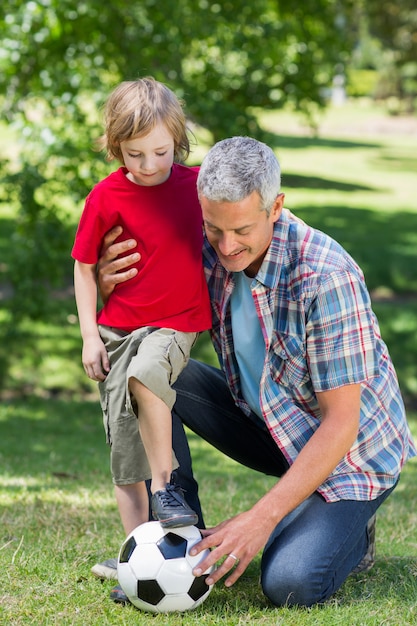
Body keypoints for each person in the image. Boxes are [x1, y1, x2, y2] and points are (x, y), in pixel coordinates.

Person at [95, 136, 416, 608]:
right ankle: (174, 541)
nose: (226, 247)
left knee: (288, 582)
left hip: (350, 454)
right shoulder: (210, 244)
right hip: (270, 423)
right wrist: (108, 285)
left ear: (276, 207)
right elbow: (139, 320)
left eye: (242, 229)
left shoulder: (326, 277)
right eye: (213, 228)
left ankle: (350, 526)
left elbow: (342, 423)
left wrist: (260, 519)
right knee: (144, 366)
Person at [71, 78, 212, 545]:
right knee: (124, 455)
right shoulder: (106, 197)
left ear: (177, 140)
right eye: (135, 155)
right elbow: (85, 267)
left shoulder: (198, 188)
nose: (149, 165)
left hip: (175, 323)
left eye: (161, 152)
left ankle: (166, 489)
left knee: (147, 372)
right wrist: (91, 336)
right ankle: (137, 556)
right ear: (116, 147)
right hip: (117, 330)